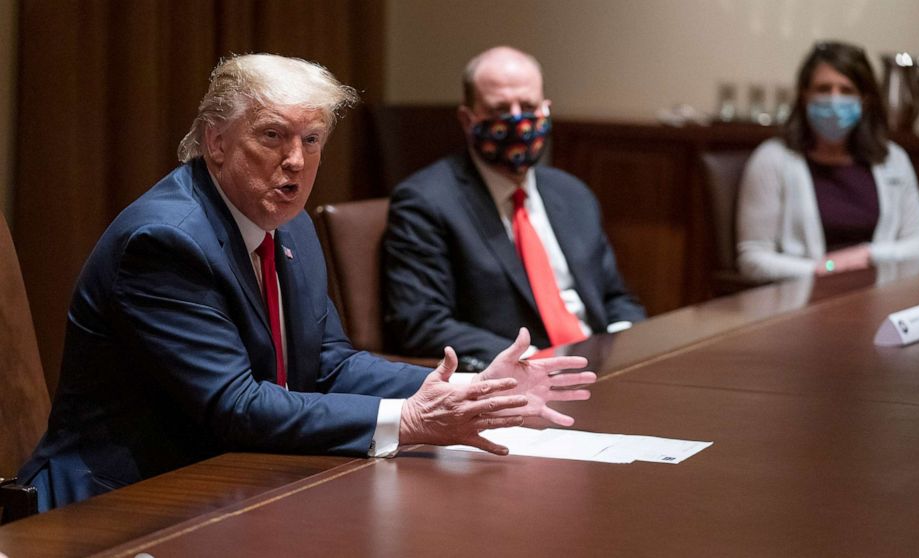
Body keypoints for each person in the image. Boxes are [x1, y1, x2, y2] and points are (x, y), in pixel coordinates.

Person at [14, 54, 595, 513]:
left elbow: (330, 363)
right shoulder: (166, 243)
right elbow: (233, 405)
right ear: (215, 142)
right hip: (120, 502)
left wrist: (472, 387)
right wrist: (410, 421)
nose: (295, 160)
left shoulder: (286, 227)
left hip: (233, 482)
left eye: (311, 140)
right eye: (272, 137)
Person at [382, 46, 645, 371]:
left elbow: (615, 298)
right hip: (517, 378)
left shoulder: (573, 194)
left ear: (546, 110)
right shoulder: (426, 201)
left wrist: (627, 344)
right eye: (501, 109)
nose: (518, 120)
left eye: (529, 106)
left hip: (601, 368)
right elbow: (421, 321)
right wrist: (530, 359)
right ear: (468, 119)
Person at [736, 41, 919, 282]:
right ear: (804, 95)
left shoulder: (892, 159)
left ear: (864, 99)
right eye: (823, 89)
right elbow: (753, 259)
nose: (834, 100)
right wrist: (824, 269)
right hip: (800, 299)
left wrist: (867, 255)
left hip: (878, 296)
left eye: (846, 90)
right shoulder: (772, 159)